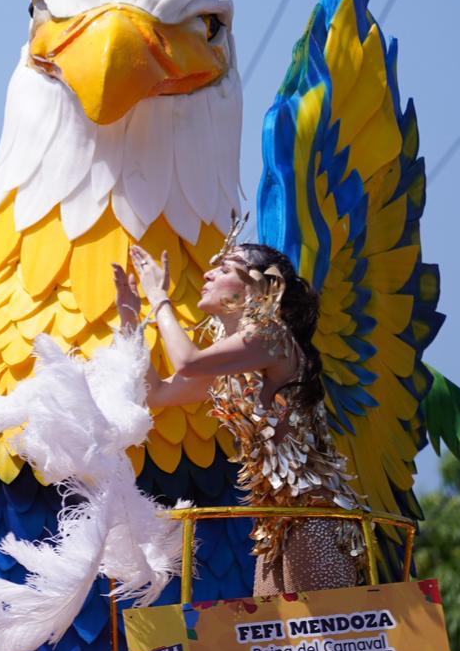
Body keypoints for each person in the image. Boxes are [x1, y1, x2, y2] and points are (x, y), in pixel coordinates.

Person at [112, 224, 366, 595]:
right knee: (275, 646)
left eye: (227, 268)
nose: (210, 273)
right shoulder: (231, 360)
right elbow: (158, 393)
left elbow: (187, 361)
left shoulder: (271, 336)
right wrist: (132, 317)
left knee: (323, 643)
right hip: (275, 521)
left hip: (315, 514)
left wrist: (160, 298)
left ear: (260, 290)